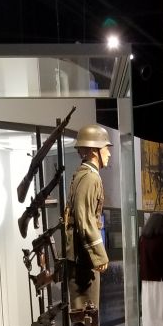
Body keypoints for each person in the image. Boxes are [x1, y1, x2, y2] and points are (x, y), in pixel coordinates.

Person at [65, 124, 111, 315]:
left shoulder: (83, 175)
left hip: (81, 256)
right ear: (94, 151)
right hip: (84, 259)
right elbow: (85, 220)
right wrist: (99, 255)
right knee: (87, 317)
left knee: (85, 318)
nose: (109, 153)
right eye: (106, 148)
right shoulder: (91, 178)